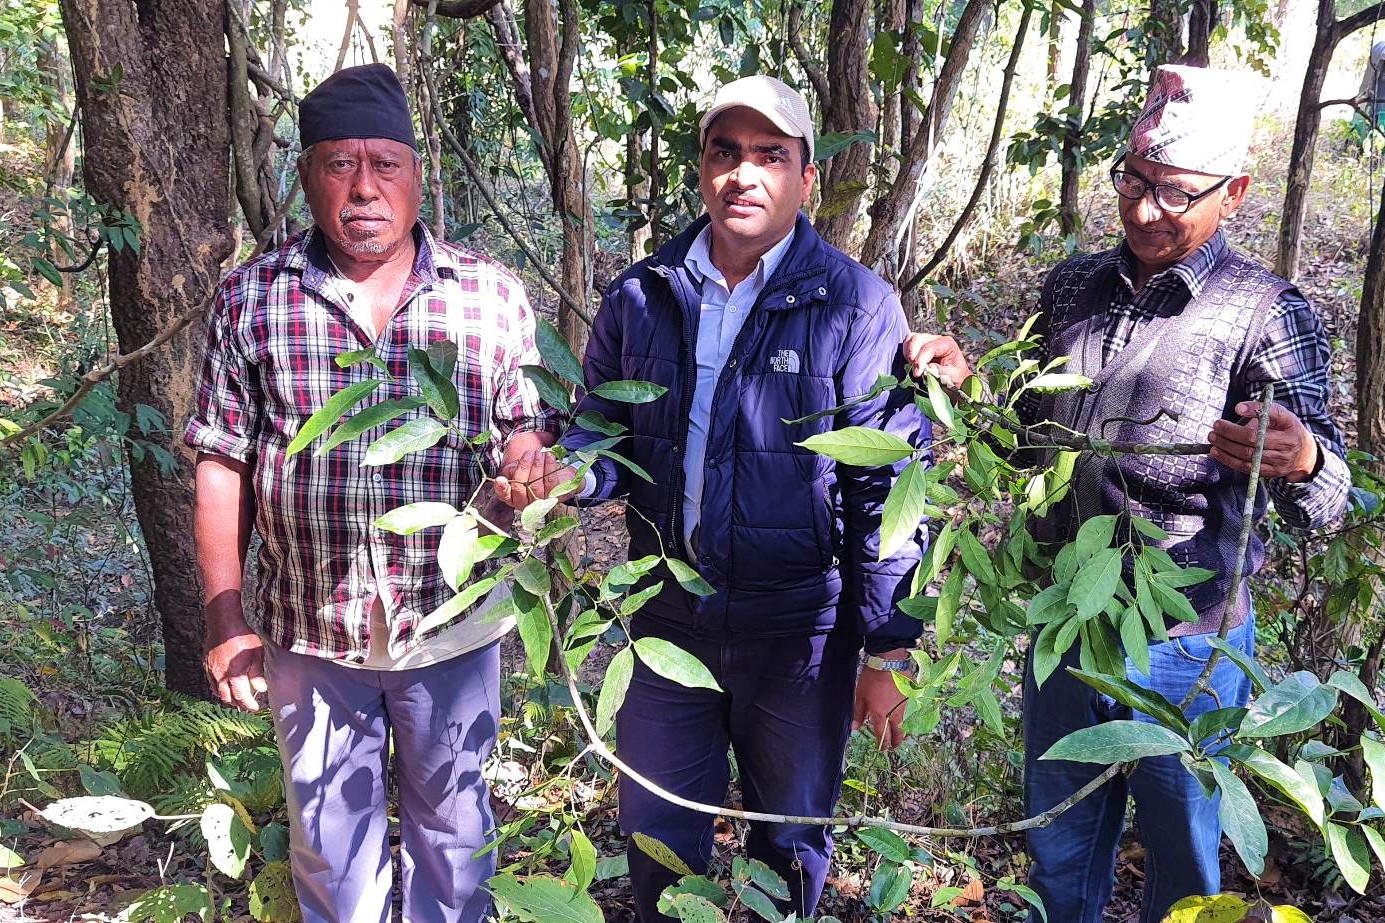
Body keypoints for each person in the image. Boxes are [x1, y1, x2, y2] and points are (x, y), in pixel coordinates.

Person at [906, 64, 1353, 923]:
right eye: (1135, 182)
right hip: (1065, 618)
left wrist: (1298, 462)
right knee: (1061, 840)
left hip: (1185, 643)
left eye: (1177, 193)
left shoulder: (1267, 311)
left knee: (1183, 852)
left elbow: (1326, 500)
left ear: (1235, 192)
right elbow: (1031, 443)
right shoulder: (1072, 287)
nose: (1147, 211)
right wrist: (969, 390)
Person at [507, 75, 927, 920]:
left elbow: (882, 492)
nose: (744, 174)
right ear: (701, 168)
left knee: (792, 837)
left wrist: (886, 648)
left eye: (770, 156)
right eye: (725, 152)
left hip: (798, 630)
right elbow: (608, 433)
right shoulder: (643, 293)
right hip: (667, 618)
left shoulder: (854, 305)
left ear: (806, 178)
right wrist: (567, 473)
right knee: (658, 831)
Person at [186, 63, 559, 923]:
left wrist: (531, 466)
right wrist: (224, 616)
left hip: (452, 622)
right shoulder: (255, 298)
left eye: (383, 164)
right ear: (306, 173)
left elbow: (523, 427)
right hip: (311, 631)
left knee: (457, 843)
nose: (362, 188)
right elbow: (220, 461)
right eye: (338, 163)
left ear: (416, 174)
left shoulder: (488, 295)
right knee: (331, 854)